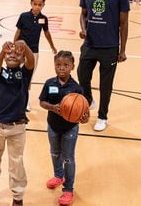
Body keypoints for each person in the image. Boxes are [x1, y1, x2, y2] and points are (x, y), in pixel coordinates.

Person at [77, 0, 129, 132]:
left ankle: (102, 116)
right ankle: (89, 99)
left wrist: (122, 50)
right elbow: (83, 15)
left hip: (109, 47)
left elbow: (124, 23)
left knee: (105, 85)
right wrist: (84, 29)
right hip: (90, 44)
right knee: (82, 75)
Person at [0, 40, 35, 206]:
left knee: (16, 162)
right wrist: (2, 51)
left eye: (17, 54)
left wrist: (25, 47)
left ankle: (18, 196)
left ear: (22, 60)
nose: (12, 55)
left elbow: (31, 61)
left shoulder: (24, 74)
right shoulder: (0, 73)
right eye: (9, 53)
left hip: (17, 127)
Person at [39, 50, 89, 205]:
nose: (62, 68)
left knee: (68, 158)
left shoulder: (77, 88)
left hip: (70, 129)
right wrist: (53, 108)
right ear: (54, 66)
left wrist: (84, 118)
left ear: (72, 66)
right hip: (53, 126)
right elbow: (42, 102)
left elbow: (84, 112)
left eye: (66, 65)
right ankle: (58, 176)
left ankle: (68, 190)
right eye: (58, 65)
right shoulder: (49, 83)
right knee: (54, 153)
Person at [14, 0, 57, 111]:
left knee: (28, 76)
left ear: (43, 5)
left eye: (40, 4)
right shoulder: (23, 16)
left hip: (34, 52)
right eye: (35, 4)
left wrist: (52, 47)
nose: (37, 6)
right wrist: (13, 45)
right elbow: (18, 31)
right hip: (20, 51)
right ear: (31, 3)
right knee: (17, 74)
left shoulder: (43, 19)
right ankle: (15, 98)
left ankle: (25, 101)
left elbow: (47, 33)